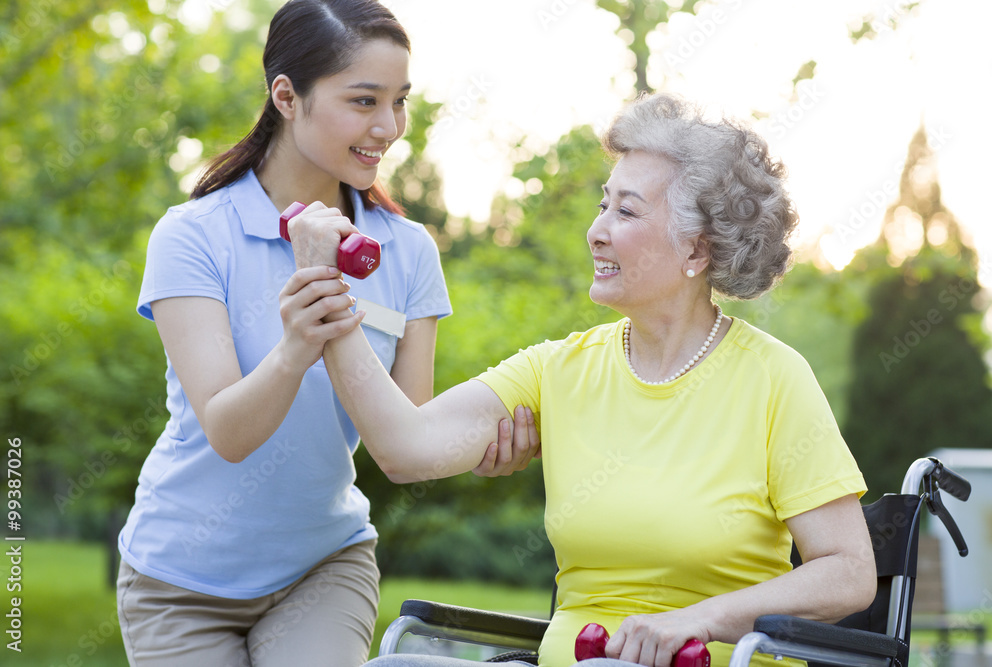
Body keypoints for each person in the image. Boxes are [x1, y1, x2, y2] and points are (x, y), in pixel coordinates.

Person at [294, 93, 877, 667]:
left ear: (696, 248)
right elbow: (407, 448)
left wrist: (696, 620)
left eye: (626, 211)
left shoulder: (773, 379)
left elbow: (848, 574)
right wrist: (326, 292)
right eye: (603, 206)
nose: (596, 230)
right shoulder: (558, 369)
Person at [115, 2, 538, 666]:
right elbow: (229, 431)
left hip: (323, 564)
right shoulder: (194, 235)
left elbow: (407, 436)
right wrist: (296, 344)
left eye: (399, 102)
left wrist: (483, 446)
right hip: (180, 581)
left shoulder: (407, 250)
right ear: (287, 95)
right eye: (363, 100)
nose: (388, 127)